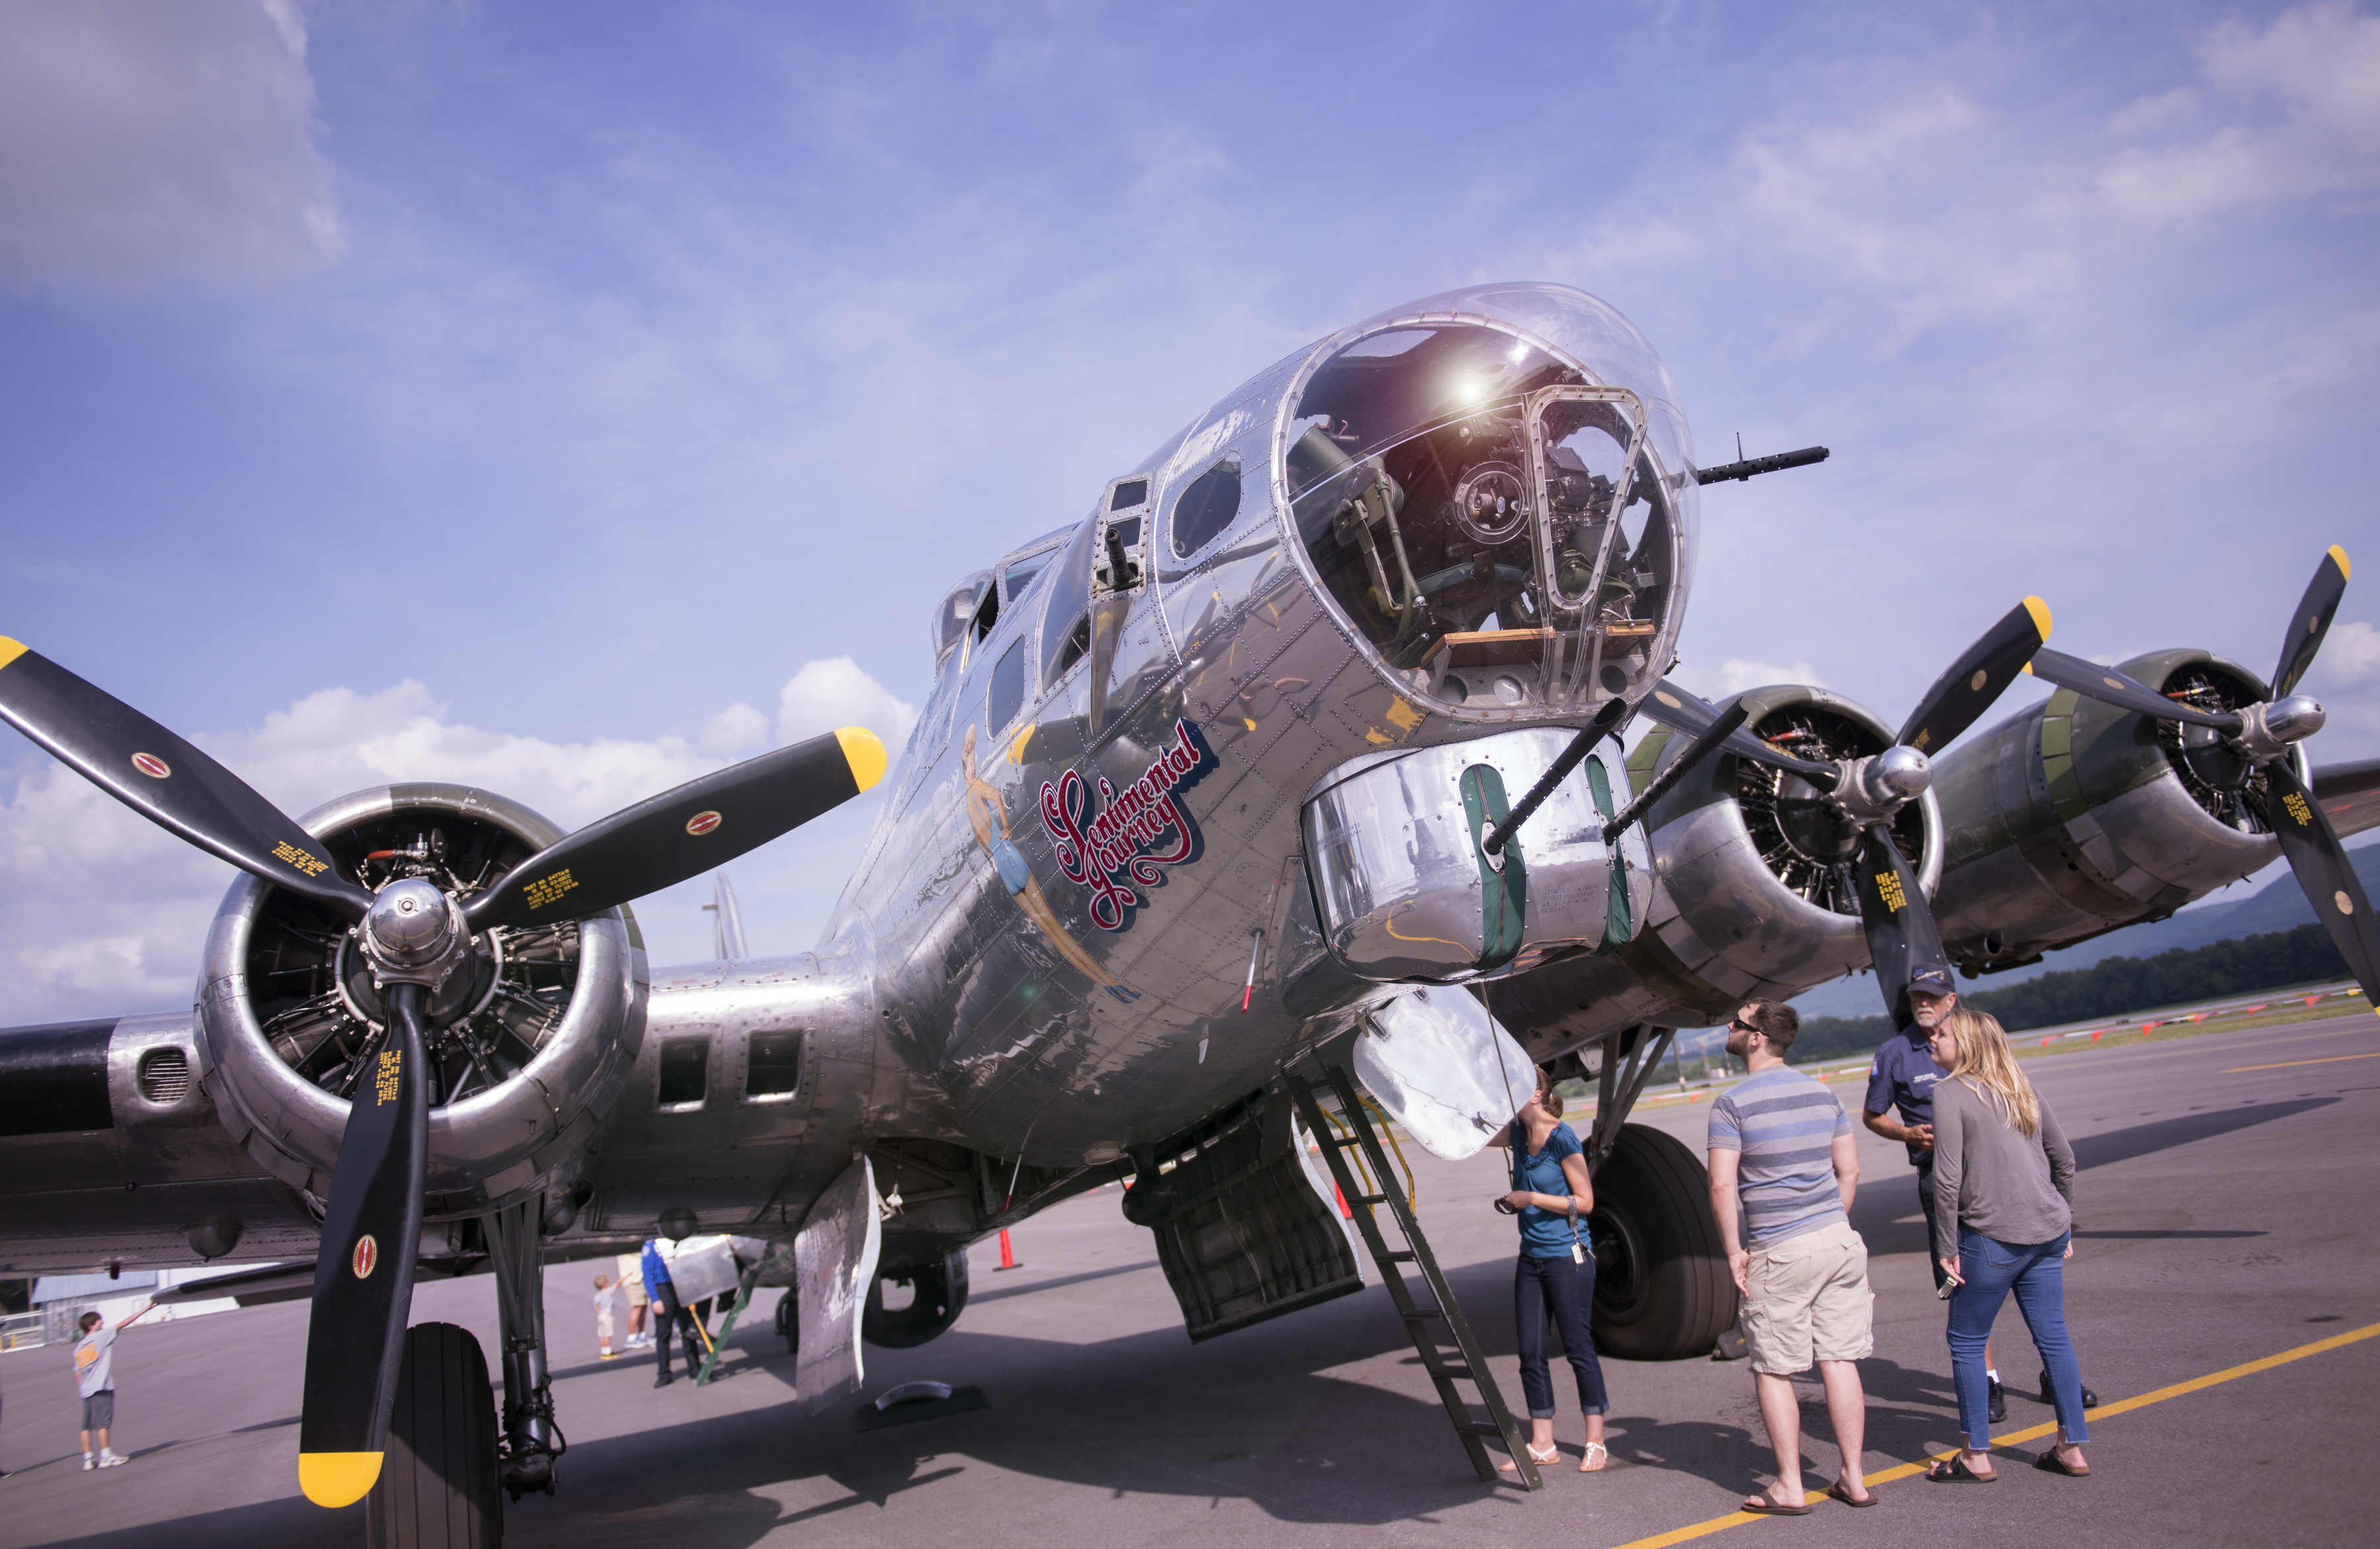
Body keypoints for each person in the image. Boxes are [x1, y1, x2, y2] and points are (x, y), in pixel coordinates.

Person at [1707, 998, 1875, 1514]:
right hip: (1839, 1239)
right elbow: (1850, 1170)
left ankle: (1789, 1484)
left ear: (1756, 1037)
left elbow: (1721, 1183)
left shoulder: (1732, 1104)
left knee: (1774, 1366)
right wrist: (1829, 1221)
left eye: (1737, 1023)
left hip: (1781, 1246)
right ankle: (1853, 1475)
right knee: (1839, 1357)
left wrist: (1735, 1250)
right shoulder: (1823, 1093)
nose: (1729, 1027)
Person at [1927, 1008, 2094, 1482]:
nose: (1932, 1037)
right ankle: (2072, 1446)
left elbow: (1946, 1180)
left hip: (1992, 1237)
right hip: (2046, 1233)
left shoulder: (1949, 1092)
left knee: (1965, 1339)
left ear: (1970, 1044)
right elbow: (2065, 1159)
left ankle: (1976, 1453)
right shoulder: (2023, 1087)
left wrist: (1945, 1244)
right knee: (2053, 1336)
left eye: (1943, 1033)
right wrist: (2063, 1220)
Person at [1486, 1065, 1609, 1473]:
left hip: (1567, 1257)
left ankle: (1596, 1441)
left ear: (1536, 1095)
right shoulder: (1520, 1134)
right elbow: (1480, 1134)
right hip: (1531, 1257)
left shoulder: (1562, 1137)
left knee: (1578, 1348)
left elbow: (1586, 1202)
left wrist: (1531, 1198)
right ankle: (1543, 1443)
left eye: (1516, 1089)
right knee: (1531, 1352)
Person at [72, 1300, 152, 1470]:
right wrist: (146, 1308)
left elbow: (77, 1372)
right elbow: (124, 1323)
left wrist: (83, 1388)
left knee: (86, 1426)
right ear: (93, 1325)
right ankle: (106, 1456)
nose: (102, 1323)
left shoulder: (79, 1347)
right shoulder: (101, 1336)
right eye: (100, 1321)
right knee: (103, 1423)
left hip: (87, 1391)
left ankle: (88, 1460)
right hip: (101, 1388)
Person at [641, 1236, 701, 1387]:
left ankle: (695, 1368)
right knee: (663, 1334)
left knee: (688, 1330)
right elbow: (648, 1274)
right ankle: (664, 1373)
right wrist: (655, 1299)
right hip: (664, 1290)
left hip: (681, 1286)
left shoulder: (678, 1241)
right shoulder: (651, 1245)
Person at [616, 1252, 651, 1348]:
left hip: (640, 1279)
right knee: (637, 1307)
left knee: (644, 1306)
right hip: (632, 1281)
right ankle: (631, 1338)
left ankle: (641, 1335)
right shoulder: (625, 1248)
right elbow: (642, 1253)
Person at [594, 1273, 621, 1359]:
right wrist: (626, 1276)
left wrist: (599, 1314)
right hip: (607, 1315)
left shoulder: (597, 1296)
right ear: (605, 1285)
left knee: (602, 1334)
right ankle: (609, 1351)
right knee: (608, 1334)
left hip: (600, 1316)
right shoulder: (608, 1291)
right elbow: (618, 1283)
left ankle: (603, 1351)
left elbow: (596, 1307)